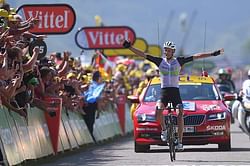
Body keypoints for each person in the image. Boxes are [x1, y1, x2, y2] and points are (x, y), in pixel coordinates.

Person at [122, 39, 224, 151]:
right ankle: (164, 130)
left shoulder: (179, 61)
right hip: (164, 92)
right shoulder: (159, 61)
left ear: (173, 51)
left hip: (175, 92)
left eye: (168, 50)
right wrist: (130, 47)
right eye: (165, 50)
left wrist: (213, 53)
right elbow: (143, 54)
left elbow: (196, 56)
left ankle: (180, 142)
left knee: (180, 114)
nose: (166, 52)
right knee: (159, 110)